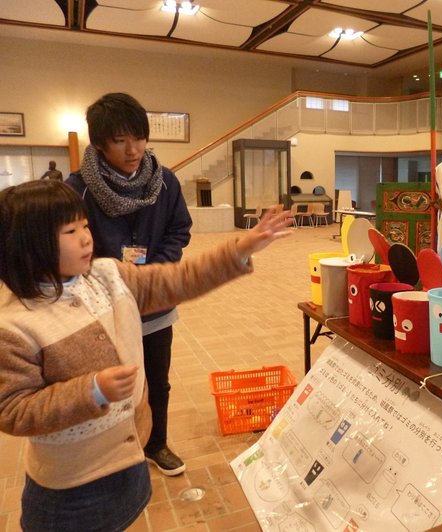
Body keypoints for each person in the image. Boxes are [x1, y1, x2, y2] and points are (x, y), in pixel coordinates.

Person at [0, 180, 292, 531]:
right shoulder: (15, 324)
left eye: (85, 225)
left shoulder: (108, 276)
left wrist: (240, 249)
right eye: (70, 230)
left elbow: (178, 279)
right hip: (70, 489)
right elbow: (13, 409)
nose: (85, 238)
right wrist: (91, 391)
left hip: (130, 458)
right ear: (29, 244)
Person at [66, 93, 193, 476]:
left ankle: (157, 443)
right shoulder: (78, 189)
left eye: (138, 137)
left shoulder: (165, 181)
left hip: (154, 301)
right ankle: (111, 450)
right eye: (121, 140)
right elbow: (69, 244)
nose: (133, 148)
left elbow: (179, 230)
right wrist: (110, 276)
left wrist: (154, 269)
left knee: (157, 379)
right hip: (102, 307)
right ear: (100, 144)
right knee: (108, 383)